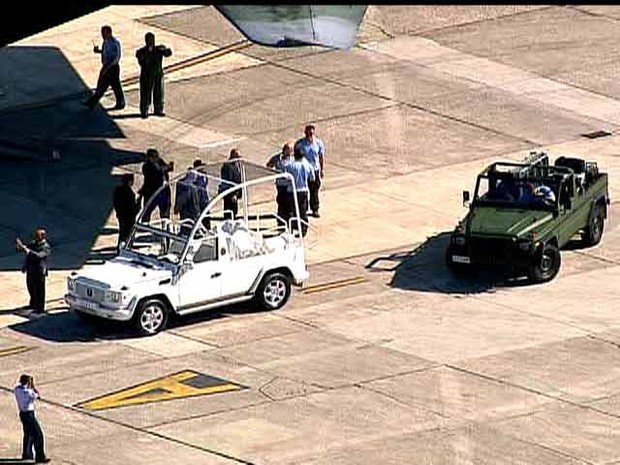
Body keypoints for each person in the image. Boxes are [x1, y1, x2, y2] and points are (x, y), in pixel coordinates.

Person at [83, 25, 125, 110]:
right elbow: (106, 52)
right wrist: (98, 51)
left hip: (112, 68)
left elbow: (116, 57)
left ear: (109, 33)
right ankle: (120, 102)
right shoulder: (105, 42)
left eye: (104, 33)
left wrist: (107, 68)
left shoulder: (114, 43)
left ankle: (92, 101)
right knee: (115, 85)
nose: (102, 35)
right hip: (107, 66)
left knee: (103, 85)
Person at [135, 32, 172, 119]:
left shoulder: (158, 50)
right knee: (145, 94)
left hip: (157, 74)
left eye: (152, 40)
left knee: (159, 92)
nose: (151, 42)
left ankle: (158, 109)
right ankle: (144, 110)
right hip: (146, 75)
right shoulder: (141, 51)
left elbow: (168, 53)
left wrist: (165, 50)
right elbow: (140, 59)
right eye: (149, 40)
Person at [14, 374, 50, 463]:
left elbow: (21, 387)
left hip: (22, 414)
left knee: (28, 434)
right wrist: (32, 386)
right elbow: (37, 395)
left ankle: (27, 454)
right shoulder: (29, 392)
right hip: (29, 415)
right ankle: (40, 456)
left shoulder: (17, 390)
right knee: (38, 435)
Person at [15, 228, 51, 314]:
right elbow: (26, 252)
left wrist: (27, 250)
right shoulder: (33, 243)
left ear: (42, 237)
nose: (35, 237)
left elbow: (38, 256)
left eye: (37, 236)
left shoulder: (46, 246)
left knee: (40, 289)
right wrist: (20, 246)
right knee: (31, 287)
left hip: (39, 271)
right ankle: (33, 304)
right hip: (31, 269)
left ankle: (40, 307)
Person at [294, 124, 325, 217]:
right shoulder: (300, 143)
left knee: (314, 190)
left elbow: (321, 157)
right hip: (304, 170)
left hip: (314, 169)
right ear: (305, 132)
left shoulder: (318, 143)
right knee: (304, 190)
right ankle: (304, 209)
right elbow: (296, 156)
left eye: (311, 132)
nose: (310, 134)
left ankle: (315, 208)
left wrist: (322, 169)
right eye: (308, 132)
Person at [285, 146, 315, 237]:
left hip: (292, 190)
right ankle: (303, 228)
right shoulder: (307, 165)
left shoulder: (291, 165)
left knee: (293, 210)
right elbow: (312, 178)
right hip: (303, 190)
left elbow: (286, 178)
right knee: (303, 211)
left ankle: (294, 226)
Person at [138, 148, 173, 222]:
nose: (156, 158)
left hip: (163, 192)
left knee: (165, 212)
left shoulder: (159, 161)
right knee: (147, 211)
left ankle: (165, 226)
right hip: (151, 192)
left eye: (157, 156)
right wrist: (165, 168)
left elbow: (168, 168)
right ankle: (145, 225)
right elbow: (157, 170)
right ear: (149, 158)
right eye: (154, 156)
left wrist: (169, 166)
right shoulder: (146, 166)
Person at [266, 142, 293, 228]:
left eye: (290, 150)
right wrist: (275, 173)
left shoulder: (293, 159)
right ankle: (281, 221)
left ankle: (289, 222)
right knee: (281, 203)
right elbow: (269, 165)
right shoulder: (277, 158)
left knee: (289, 204)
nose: (288, 152)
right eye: (287, 150)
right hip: (281, 185)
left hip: (289, 185)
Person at [113, 173, 140, 250]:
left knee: (122, 232)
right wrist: (138, 204)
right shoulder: (130, 194)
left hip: (121, 215)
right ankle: (125, 248)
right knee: (128, 234)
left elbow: (116, 203)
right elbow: (133, 209)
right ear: (129, 181)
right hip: (129, 217)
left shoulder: (118, 190)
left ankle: (120, 247)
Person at [174, 168, 201, 235]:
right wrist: (177, 208)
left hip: (189, 210)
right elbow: (182, 199)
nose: (195, 178)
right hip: (188, 210)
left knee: (189, 224)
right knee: (187, 224)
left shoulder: (192, 186)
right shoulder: (188, 187)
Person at [218, 148, 243, 219]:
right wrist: (232, 194)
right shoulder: (227, 166)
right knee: (229, 212)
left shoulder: (237, 166)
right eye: (237, 157)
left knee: (234, 211)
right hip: (230, 195)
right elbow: (227, 181)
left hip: (235, 194)